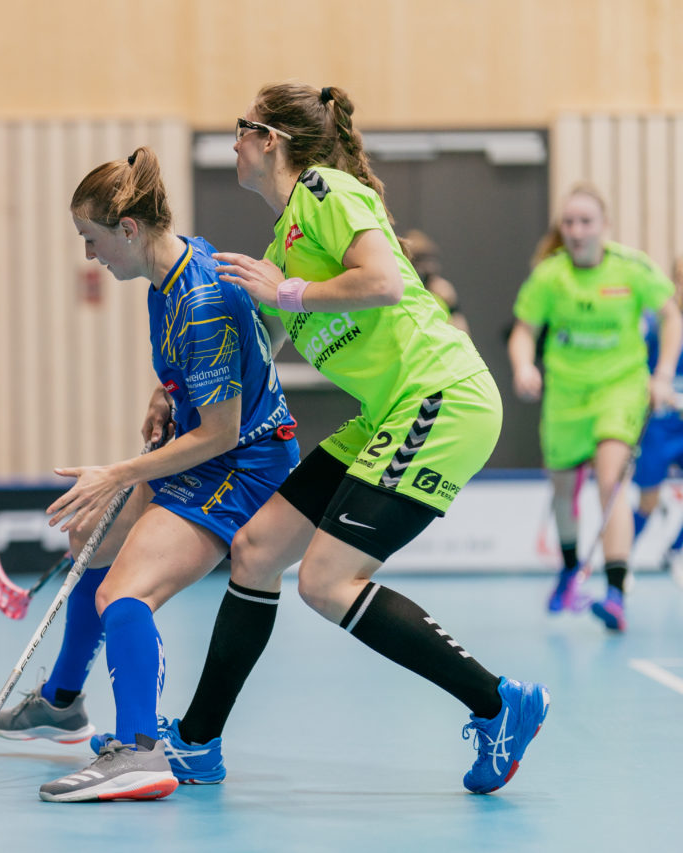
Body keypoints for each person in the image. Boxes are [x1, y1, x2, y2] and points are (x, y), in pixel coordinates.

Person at [155, 82, 548, 796]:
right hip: (385, 410)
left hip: (441, 396)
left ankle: (498, 702)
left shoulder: (325, 190)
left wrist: (288, 295)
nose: (233, 140)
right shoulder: (281, 242)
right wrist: (177, 386)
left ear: (269, 138)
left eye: (241, 128)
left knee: (327, 581)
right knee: (255, 549)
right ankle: (198, 741)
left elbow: (386, 281)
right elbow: (257, 344)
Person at [5, 146, 300, 803]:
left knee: (124, 595)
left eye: (92, 239)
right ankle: (61, 700)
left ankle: (139, 750)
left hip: (243, 463)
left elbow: (221, 429)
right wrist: (170, 392)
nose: (90, 255)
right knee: (90, 546)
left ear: (129, 230)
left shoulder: (197, 300)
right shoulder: (173, 268)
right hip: (208, 445)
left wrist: (118, 473)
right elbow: (247, 345)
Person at [509, 185, 681, 631]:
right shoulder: (550, 276)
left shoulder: (632, 268)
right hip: (565, 395)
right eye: (569, 222)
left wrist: (661, 375)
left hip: (620, 388)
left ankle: (616, 592)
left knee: (611, 481)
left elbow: (671, 315)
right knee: (564, 488)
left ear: (604, 226)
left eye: (586, 222)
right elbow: (524, 329)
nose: (577, 230)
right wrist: (524, 365)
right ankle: (569, 571)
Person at [632, 258, 683, 583]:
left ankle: (676, 550)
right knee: (648, 500)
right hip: (659, 424)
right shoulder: (655, 322)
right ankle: (624, 564)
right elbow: (636, 367)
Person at [403, 229, 470, 333]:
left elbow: (464, 337)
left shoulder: (443, 293)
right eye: (420, 259)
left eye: (430, 259)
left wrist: (453, 306)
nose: (428, 267)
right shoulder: (404, 295)